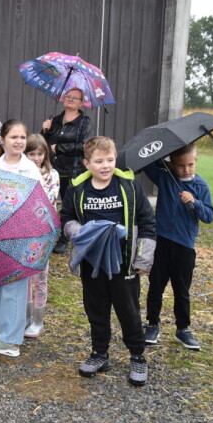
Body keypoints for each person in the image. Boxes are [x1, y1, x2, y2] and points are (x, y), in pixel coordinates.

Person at [60, 136, 156, 386]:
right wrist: (79, 231)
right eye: (99, 161)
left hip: (125, 264)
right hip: (93, 264)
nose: (105, 166)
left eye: (110, 160)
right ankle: (99, 353)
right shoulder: (78, 189)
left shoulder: (129, 187)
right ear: (86, 163)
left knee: (129, 311)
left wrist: (143, 259)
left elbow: (147, 222)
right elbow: (66, 218)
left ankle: (137, 356)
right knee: (96, 309)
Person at [143, 144, 213, 350]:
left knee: (181, 289)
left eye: (190, 165)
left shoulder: (201, 186)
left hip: (184, 246)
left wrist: (196, 202)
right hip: (162, 242)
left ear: (196, 162)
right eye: (181, 165)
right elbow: (148, 165)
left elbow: (210, 216)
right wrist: (161, 160)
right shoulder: (166, 178)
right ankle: (152, 324)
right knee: (156, 286)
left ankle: (183, 329)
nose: (186, 170)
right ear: (173, 165)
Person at [0, 120, 43, 357]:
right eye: (14, 137)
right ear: (2, 140)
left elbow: (39, 204)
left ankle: (10, 340)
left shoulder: (31, 170)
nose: (19, 142)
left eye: (22, 137)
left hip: (20, 234)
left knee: (15, 287)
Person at [41, 87, 94, 254]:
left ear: (81, 103)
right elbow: (41, 144)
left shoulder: (84, 122)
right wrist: (44, 130)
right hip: (52, 170)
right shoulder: (55, 120)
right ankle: (46, 236)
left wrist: (61, 148)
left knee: (68, 206)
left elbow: (85, 145)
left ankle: (64, 239)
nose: (70, 99)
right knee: (47, 204)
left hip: (73, 171)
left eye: (75, 98)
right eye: (68, 96)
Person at [23, 134, 60, 338]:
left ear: (45, 154)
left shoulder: (51, 174)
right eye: (31, 154)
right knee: (26, 276)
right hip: (25, 230)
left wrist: (36, 175)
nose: (36, 158)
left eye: (39, 153)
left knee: (41, 277)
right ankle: (27, 318)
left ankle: (38, 321)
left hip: (44, 232)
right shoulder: (22, 172)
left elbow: (48, 197)